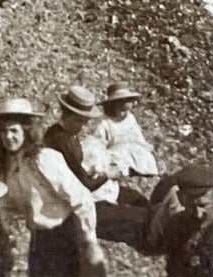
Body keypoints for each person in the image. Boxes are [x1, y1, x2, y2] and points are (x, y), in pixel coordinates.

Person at [0, 97, 104, 277]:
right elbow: (2, 203)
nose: (8, 137)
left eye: (14, 130)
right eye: (3, 131)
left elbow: (82, 199)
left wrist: (89, 241)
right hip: (39, 240)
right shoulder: (5, 168)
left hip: (66, 235)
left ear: (27, 132)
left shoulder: (44, 160)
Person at [42, 85, 150, 246]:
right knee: (138, 216)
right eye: (81, 121)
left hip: (80, 188)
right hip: (70, 205)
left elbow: (75, 170)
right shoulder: (60, 140)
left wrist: (92, 171)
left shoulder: (67, 133)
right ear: (69, 116)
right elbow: (84, 185)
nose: (83, 126)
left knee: (137, 199)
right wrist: (108, 175)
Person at [86, 84, 159, 180]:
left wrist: (147, 148)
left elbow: (138, 138)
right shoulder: (104, 121)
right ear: (115, 103)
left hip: (133, 152)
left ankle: (139, 171)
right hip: (115, 154)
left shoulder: (130, 118)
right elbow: (99, 145)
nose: (132, 103)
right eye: (127, 100)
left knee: (145, 154)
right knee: (117, 160)